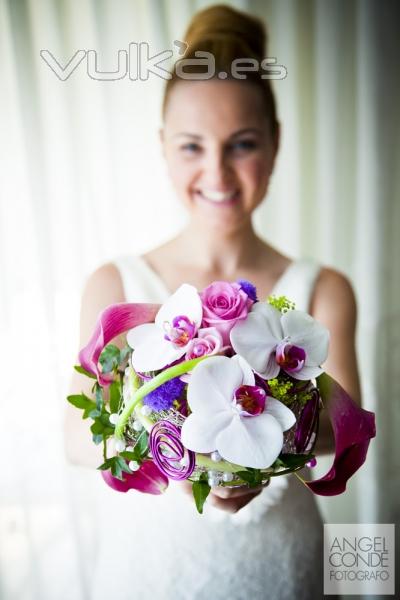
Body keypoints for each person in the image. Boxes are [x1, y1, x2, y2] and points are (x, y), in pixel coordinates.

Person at [65, 4, 361, 598]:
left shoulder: (323, 287)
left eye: (242, 144)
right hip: (150, 570)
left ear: (275, 145)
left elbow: (348, 428)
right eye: (192, 146)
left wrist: (256, 445)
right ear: (163, 147)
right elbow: (78, 440)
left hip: (282, 564)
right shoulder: (114, 284)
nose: (218, 172)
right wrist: (187, 454)